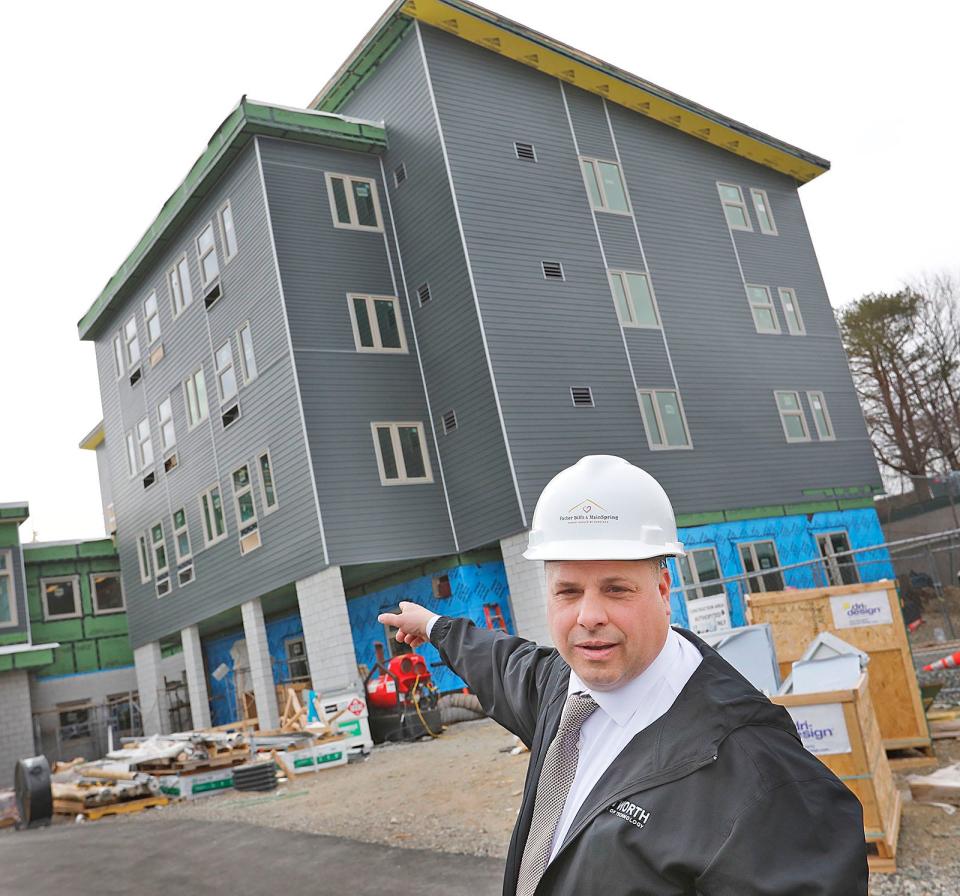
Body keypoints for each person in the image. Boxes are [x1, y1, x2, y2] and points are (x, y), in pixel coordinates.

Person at [380, 455, 868, 895]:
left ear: (662, 587)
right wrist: (430, 625)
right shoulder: (561, 691)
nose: (588, 616)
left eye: (616, 589)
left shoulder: (755, 771)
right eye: (568, 592)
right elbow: (499, 661)